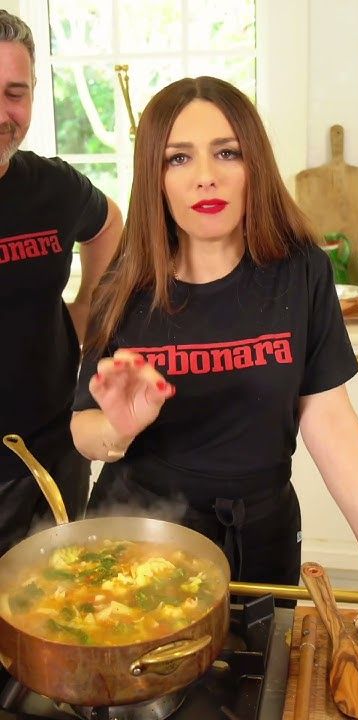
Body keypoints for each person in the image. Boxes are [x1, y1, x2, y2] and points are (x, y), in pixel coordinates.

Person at [71, 76, 358, 605]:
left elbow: (328, 417)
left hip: (262, 541)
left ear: (256, 166)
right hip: (140, 541)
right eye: (178, 159)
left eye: (227, 152)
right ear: (153, 177)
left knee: (269, 683)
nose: (206, 177)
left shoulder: (301, 272)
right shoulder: (124, 286)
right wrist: (117, 427)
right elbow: (84, 431)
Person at [0, 9, 123, 555]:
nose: (3, 113)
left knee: (59, 613)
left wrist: (86, 308)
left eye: (14, 93)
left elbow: (109, 225)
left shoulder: (54, 187)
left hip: (54, 447)